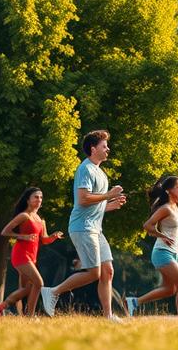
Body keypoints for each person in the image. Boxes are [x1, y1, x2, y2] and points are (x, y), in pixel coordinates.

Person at [40, 130, 127, 320]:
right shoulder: (85, 169)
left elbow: (94, 205)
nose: (108, 149)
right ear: (93, 148)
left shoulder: (101, 173)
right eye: (104, 146)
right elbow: (83, 199)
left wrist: (111, 204)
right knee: (93, 273)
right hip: (83, 227)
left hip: (96, 229)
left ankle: (108, 315)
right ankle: (53, 292)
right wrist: (109, 195)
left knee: (108, 271)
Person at [126, 176, 178, 320]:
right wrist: (162, 236)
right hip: (162, 252)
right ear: (168, 191)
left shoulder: (176, 209)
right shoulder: (165, 208)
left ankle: (134, 302)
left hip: (173, 253)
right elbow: (147, 226)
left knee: (170, 289)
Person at [0, 187, 64, 316]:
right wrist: (23, 236)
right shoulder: (24, 216)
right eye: (36, 197)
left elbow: (43, 240)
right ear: (28, 200)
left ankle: (1, 308)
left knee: (26, 289)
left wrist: (53, 237)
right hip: (21, 255)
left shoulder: (40, 220)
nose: (39, 199)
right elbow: (5, 231)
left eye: (41, 197)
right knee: (39, 283)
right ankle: (30, 316)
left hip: (32, 257)